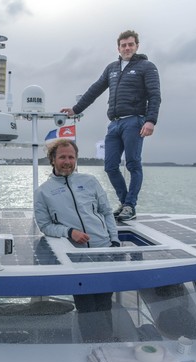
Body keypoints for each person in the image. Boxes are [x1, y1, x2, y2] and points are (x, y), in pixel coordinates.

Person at [61, 30, 161, 221]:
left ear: (137, 46)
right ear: (118, 47)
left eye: (131, 44)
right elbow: (95, 90)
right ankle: (125, 203)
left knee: (133, 163)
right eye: (123, 45)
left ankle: (130, 206)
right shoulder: (112, 68)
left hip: (135, 121)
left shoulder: (147, 67)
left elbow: (155, 95)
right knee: (110, 166)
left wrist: (150, 120)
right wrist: (76, 109)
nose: (127, 48)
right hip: (114, 124)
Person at [34, 138, 120, 342]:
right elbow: (45, 226)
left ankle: (106, 342)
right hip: (76, 257)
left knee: (104, 301)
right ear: (52, 160)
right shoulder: (43, 192)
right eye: (62, 157)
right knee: (86, 305)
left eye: (71, 157)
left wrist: (114, 242)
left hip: (103, 251)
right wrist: (69, 231)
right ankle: (93, 344)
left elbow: (107, 212)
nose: (67, 161)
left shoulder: (90, 182)